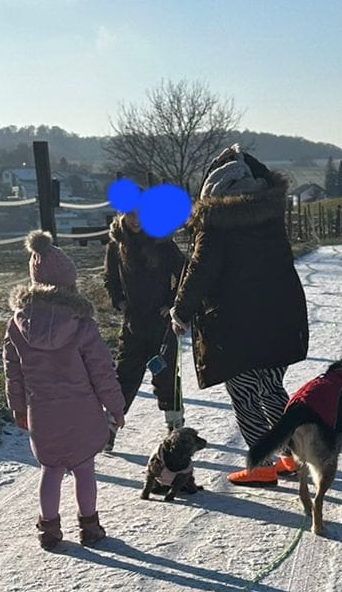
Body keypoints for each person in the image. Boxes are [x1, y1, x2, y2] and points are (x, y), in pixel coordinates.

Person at [170, 145, 308, 486]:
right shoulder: (269, 213)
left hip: (235, 323)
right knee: (271, 387)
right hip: (280, 314)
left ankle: (261, 464)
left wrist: (181, 311)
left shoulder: (217, 220)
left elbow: (201, 269)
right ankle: (292, 454)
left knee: (244, 391)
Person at [4, 230, 125, 549]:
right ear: (70, 283)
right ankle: (89, 526)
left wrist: (18, 408)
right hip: (81, 409)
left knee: (51, 468)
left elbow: (13, 372)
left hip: (42, 410)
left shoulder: (17, 324)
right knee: (84, 468)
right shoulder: (82, 323)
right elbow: (101, 371)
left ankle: (49, 528)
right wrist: (116, 407)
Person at [104, 209, 186, 427]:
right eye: (131, 214)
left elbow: (184, 273)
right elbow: (110, 278)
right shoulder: (116, 244)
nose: (136, 220)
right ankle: (111, 425)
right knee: (125, 374)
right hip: (133, 323)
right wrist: (118, 301)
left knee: (166, 376)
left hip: (161, 323)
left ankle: (175, 423)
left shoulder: (163, 242)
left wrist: (171, 302)